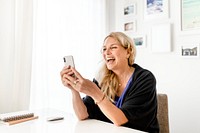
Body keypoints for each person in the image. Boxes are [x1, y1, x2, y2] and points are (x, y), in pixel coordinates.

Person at [60, 32, 159, 133]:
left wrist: (94, 92)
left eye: (113, 47)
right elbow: (82, 115)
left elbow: (120, 120)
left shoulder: (145, 79)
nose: (106, 53)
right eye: (104, 49)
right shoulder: (101, 78)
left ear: (128, 52)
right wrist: (74, 89)